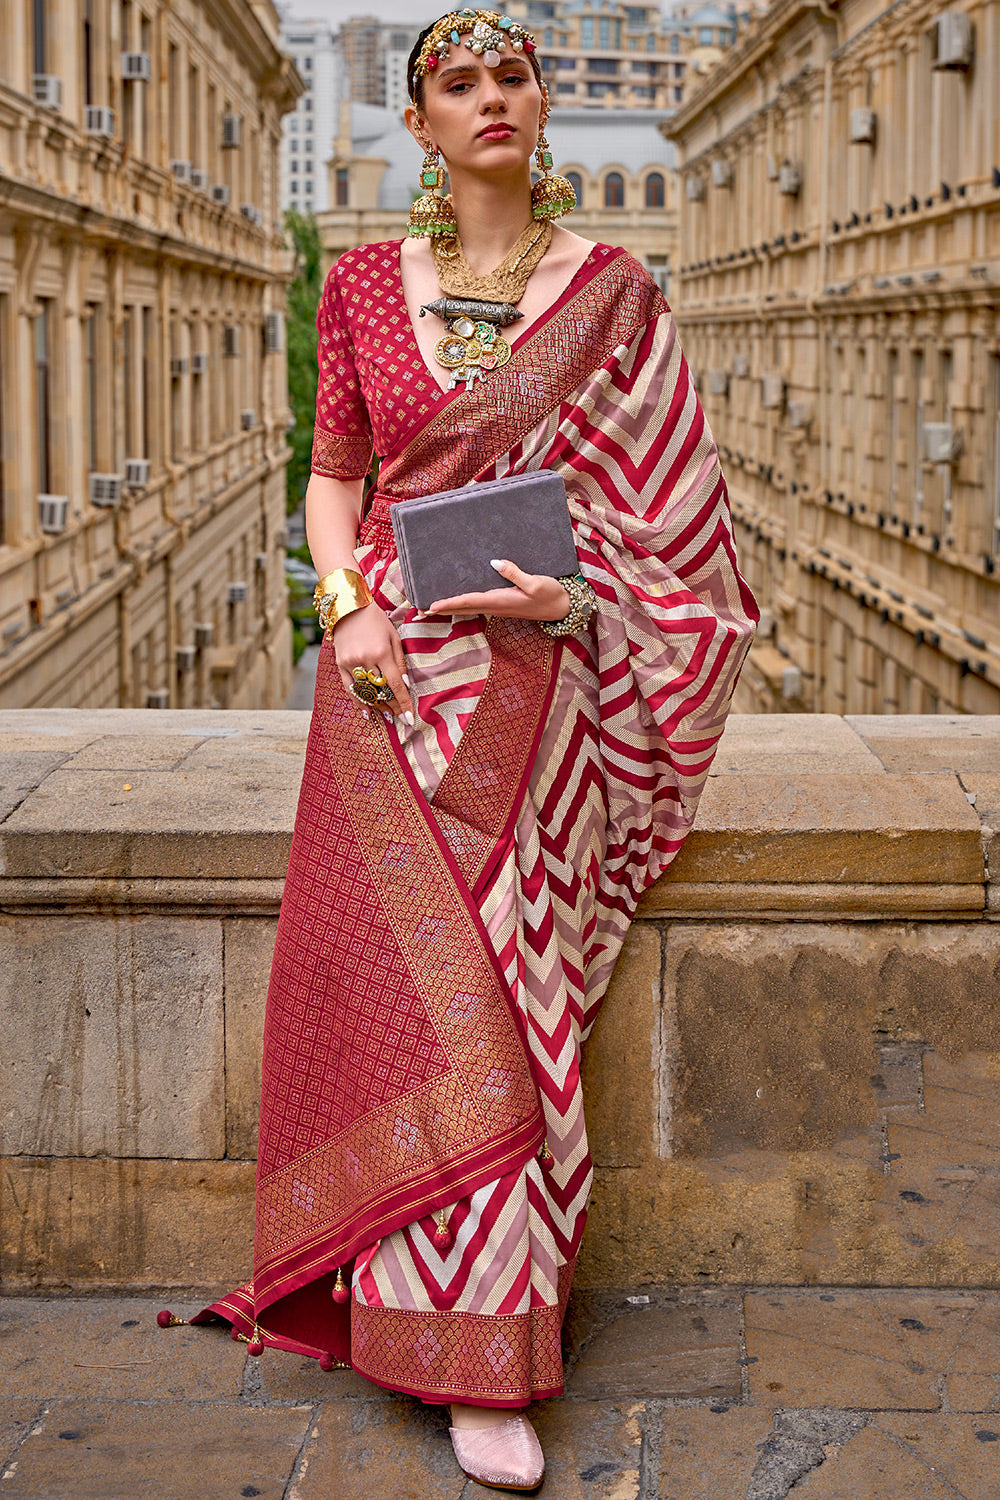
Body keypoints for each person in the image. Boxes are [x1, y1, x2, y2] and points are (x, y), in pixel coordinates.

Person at [165, 9, 758, 1491]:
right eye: (455, 83)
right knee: (404, 1005)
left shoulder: (616, 294)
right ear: (418, 126)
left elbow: (677, 512)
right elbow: (334, 473)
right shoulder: (366, 282)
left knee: (513, 1001)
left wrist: (580, 598)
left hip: (537, 698)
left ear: (544, 107)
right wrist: (350, 611)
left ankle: (496, 1343)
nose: (491, 97)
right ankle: (408, 1320)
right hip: (384, 698)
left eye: (511, 75)